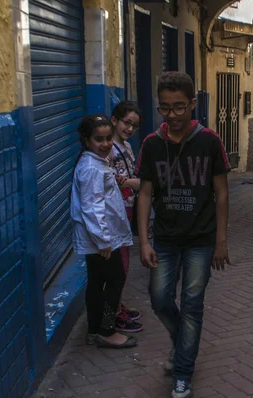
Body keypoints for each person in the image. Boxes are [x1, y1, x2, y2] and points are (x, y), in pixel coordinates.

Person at [135, 72, 231, 398]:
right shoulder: (151, 144)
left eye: (179, 107)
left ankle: (183, 372)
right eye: (165, 109)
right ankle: (181, 342)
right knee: (160, 299)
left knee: (192, 304)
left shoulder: (209, 141)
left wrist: (220, 241)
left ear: (192, 104)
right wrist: (144, 241)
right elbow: (145, 193)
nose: (172, 115)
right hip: (164, 238)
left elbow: (221, 193)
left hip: (201, 240)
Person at [70, 114, 137, 349]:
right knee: (116, 278)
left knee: (97, 281)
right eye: (99, 139)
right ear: (87, 140)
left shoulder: (96, 162)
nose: (106, 143)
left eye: (109, 138)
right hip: (102, 240)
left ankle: (94, 329)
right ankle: (106, 331)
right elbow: (92, 206)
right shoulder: (91, 167)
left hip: (99, 239)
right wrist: (103, 240)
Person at [108, 101, 144, 333]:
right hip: (115, 212)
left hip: (128, 208)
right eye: (126, 123)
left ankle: (117, 306)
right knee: (117, 264)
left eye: (134, 125)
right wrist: (137, 184)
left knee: (124, 261)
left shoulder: (128, 147)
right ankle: (112, 313)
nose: (129, 129)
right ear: (114, 120)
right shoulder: (107, 149)